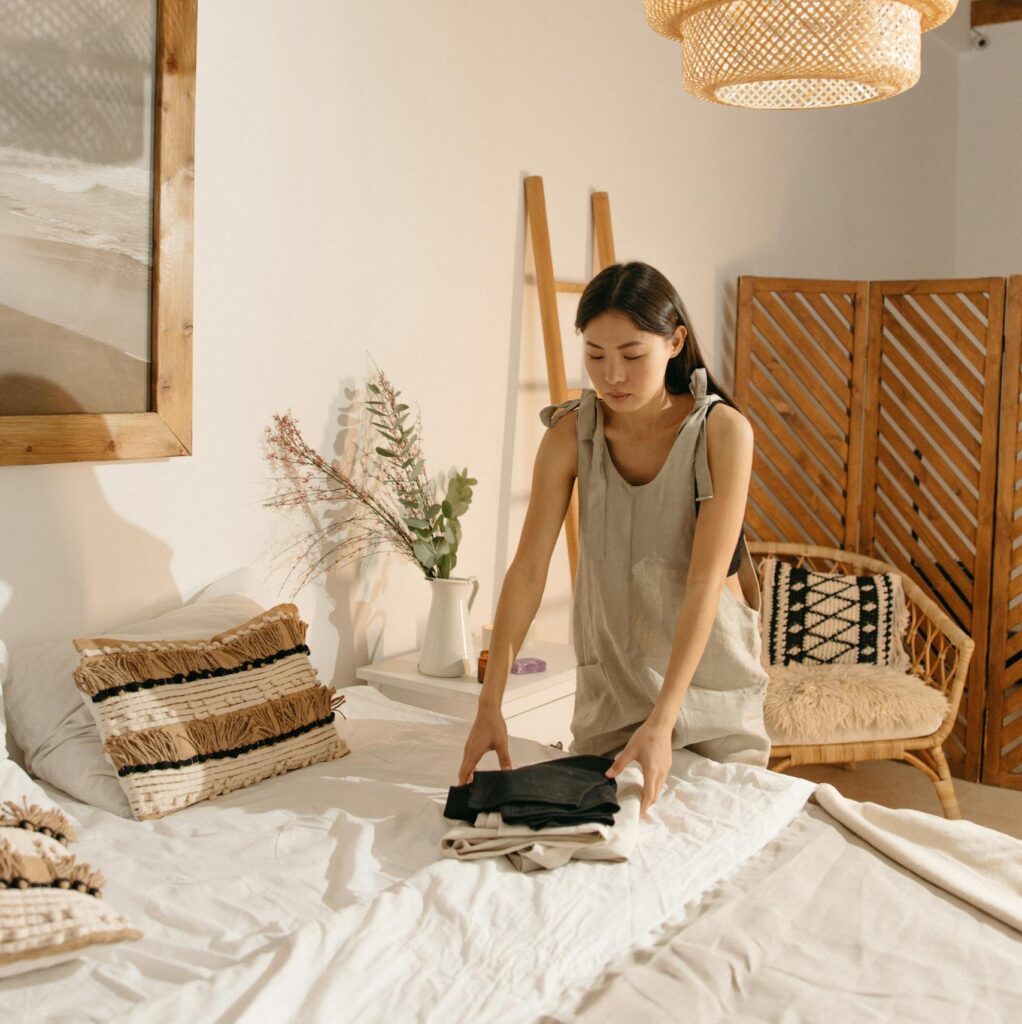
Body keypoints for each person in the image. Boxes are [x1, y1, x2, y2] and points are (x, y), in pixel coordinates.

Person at [457, 261, 771, 817]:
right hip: (612, 701)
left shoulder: (723, 433)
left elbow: (703, 584)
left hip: (707, 699)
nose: (612, 376)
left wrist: (663, 718)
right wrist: (490, 700)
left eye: (631, 355)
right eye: (595, 356)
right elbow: (528, 570)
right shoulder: (569, 435)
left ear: (675, 343)